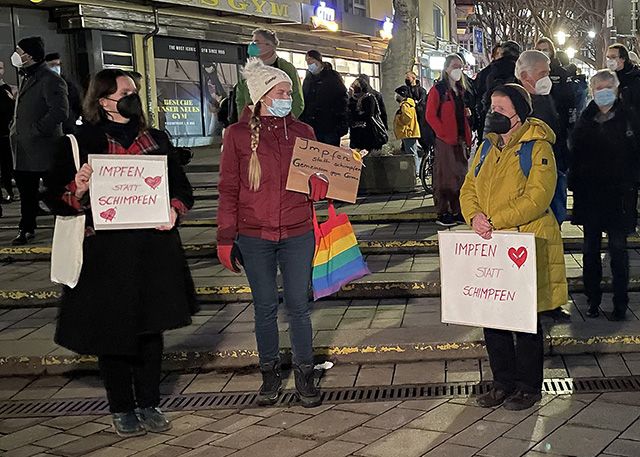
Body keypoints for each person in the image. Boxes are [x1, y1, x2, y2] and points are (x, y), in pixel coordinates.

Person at [43, 69, 197, 437]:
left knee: (150, 331)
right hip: (105, 255)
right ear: (103, 100)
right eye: (125, 91)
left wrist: (174, 209)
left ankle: (149, 401)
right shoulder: (78, 143)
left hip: (152, 252)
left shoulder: (156, 140)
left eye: (134, 92)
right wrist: (77, 188)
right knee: (112, 334)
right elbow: (54, 199)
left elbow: (182, 189)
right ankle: (122, 407)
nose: (132, 97)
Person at [217, 58, 326, 408]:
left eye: (290, 92)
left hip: (297, 233)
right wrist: (225, 237)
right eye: (281, 92)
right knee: (264, 308)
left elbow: (320, 177)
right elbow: (228, 189)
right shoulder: (236, 136)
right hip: (254, 236)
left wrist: (320, 186)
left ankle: (305, 373)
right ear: (263, 95)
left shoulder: (303, 133)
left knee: (298, 306)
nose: (288, 98)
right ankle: (269, 373)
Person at [460, 84, 568, 411]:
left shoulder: (538, 148)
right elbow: (469, 188)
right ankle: (502, 382)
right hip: (493, 243)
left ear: (519, 114)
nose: (493, 114)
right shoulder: (485, 148)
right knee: (493, 317)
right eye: (491, 107)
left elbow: (537, 198)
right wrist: (474, 217)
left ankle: (528, 387)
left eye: (501, 109)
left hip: (526, 242)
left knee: (526, 321)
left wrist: (494, 219)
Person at [569, 70, 640, 320]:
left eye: (608, 86)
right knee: (590, 251)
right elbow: (575, 154)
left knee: (618, 252)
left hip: (619, 196)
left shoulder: (629, 118)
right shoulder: (585, 118)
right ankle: (592, 298)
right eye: (599, 87)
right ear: (592, 90)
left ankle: (620, 302)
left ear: (617, 89)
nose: (604, 91)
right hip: (591, 196)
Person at [10, 36, 69, 245]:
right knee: (27, 194)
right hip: (24, 149)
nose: (16, 55)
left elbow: (60, 112)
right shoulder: (27, 77)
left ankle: (65, 229)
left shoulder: (50, 79)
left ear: (30, 54)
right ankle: (26, 228)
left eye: (19, 50)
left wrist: (36, 130)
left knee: (55, 191)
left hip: (44, 149)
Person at [425, 54, 472, 227]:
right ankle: (443, 211)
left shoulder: (460, 91)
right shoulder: (438, 90)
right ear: (446, 69)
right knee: (444, 176)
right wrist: (443, 133)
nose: (458, 69)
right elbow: (430, 115)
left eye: (460, 66)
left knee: (460, 176)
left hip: (459, 139)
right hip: (446, 140)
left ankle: (457, 209)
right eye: (454, 66)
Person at [235, 28, 304, 118]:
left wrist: (287, 123)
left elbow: (297, 101)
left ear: (269, 45)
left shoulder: (286, 68)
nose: (252, 46)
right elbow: (240, 100)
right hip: (254, 124)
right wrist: (246, 121)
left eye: (256, 42)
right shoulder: (248, 70)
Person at [300, 50, 348, 146]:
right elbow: (304, 99)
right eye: (307, 61)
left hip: (330, 125)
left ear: (318, 60)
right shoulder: (308, 79)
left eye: (311, 60)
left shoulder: (333, 77)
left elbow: (342, 100)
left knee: (328, 156)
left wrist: (342, 124)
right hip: (311, 126)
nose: (309, 63)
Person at [535, 38, 576, 140]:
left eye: (545, 50)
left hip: (558, 119)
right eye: (539, 50)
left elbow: (569, 95)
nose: (542, 53)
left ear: (551, 51)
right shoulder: (533, 72)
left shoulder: (560, 72)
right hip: (538, 118)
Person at [478, 41, 521, 132]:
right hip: (515, 117)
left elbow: (479, 95)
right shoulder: (519, 70)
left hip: (491, 114)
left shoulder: (488, 72)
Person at [45, 52, 82, 134]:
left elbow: (77, 104)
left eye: (58, 65)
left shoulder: (69, 85)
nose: (56, 68)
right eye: (52, 65)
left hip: (68, 126)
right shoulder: (42, 85)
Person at [348, 76, 387, 153]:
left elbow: (368, 114)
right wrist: (350, 97)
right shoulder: (352, 99)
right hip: (355, 132)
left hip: (367, 132)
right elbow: (349, 111)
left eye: (356, 85)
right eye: (353, 85)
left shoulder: (369, 98)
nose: (353, 87)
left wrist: (357, 115)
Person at [474, 44, 503, 143]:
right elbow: (478, 94)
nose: (501, 56)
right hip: (488, 114)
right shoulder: (485, 73)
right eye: (498, 53)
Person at [393, 85, 421, 172]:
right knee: (413, 152)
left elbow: (407, 117)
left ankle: (415, 171)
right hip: (410, 131)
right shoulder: (410, 103)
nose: (396, 96)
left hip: (408, 132)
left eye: (397, 94)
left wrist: (399, 118)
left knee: (411, 153)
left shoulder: (405, 105)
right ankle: (416, 170)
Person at [607, 44, 640, 111]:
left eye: (613, 57)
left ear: (623, 58)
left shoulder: (635, 78)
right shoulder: (608, 77)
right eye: (608, 57)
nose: (610, 60)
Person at [0, 61, 14, 204]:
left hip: (5, 134)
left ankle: (8, 190)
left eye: (1, 67)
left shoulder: (6, 89)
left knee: (7, 166)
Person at [405, 70, 430, 150]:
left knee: (422, 137)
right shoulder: (406, 90)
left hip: (420, 117)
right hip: (410, 117)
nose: (407, 79)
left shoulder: (421, 90)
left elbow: (422, 102)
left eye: (408, 77)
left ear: (414, 77)